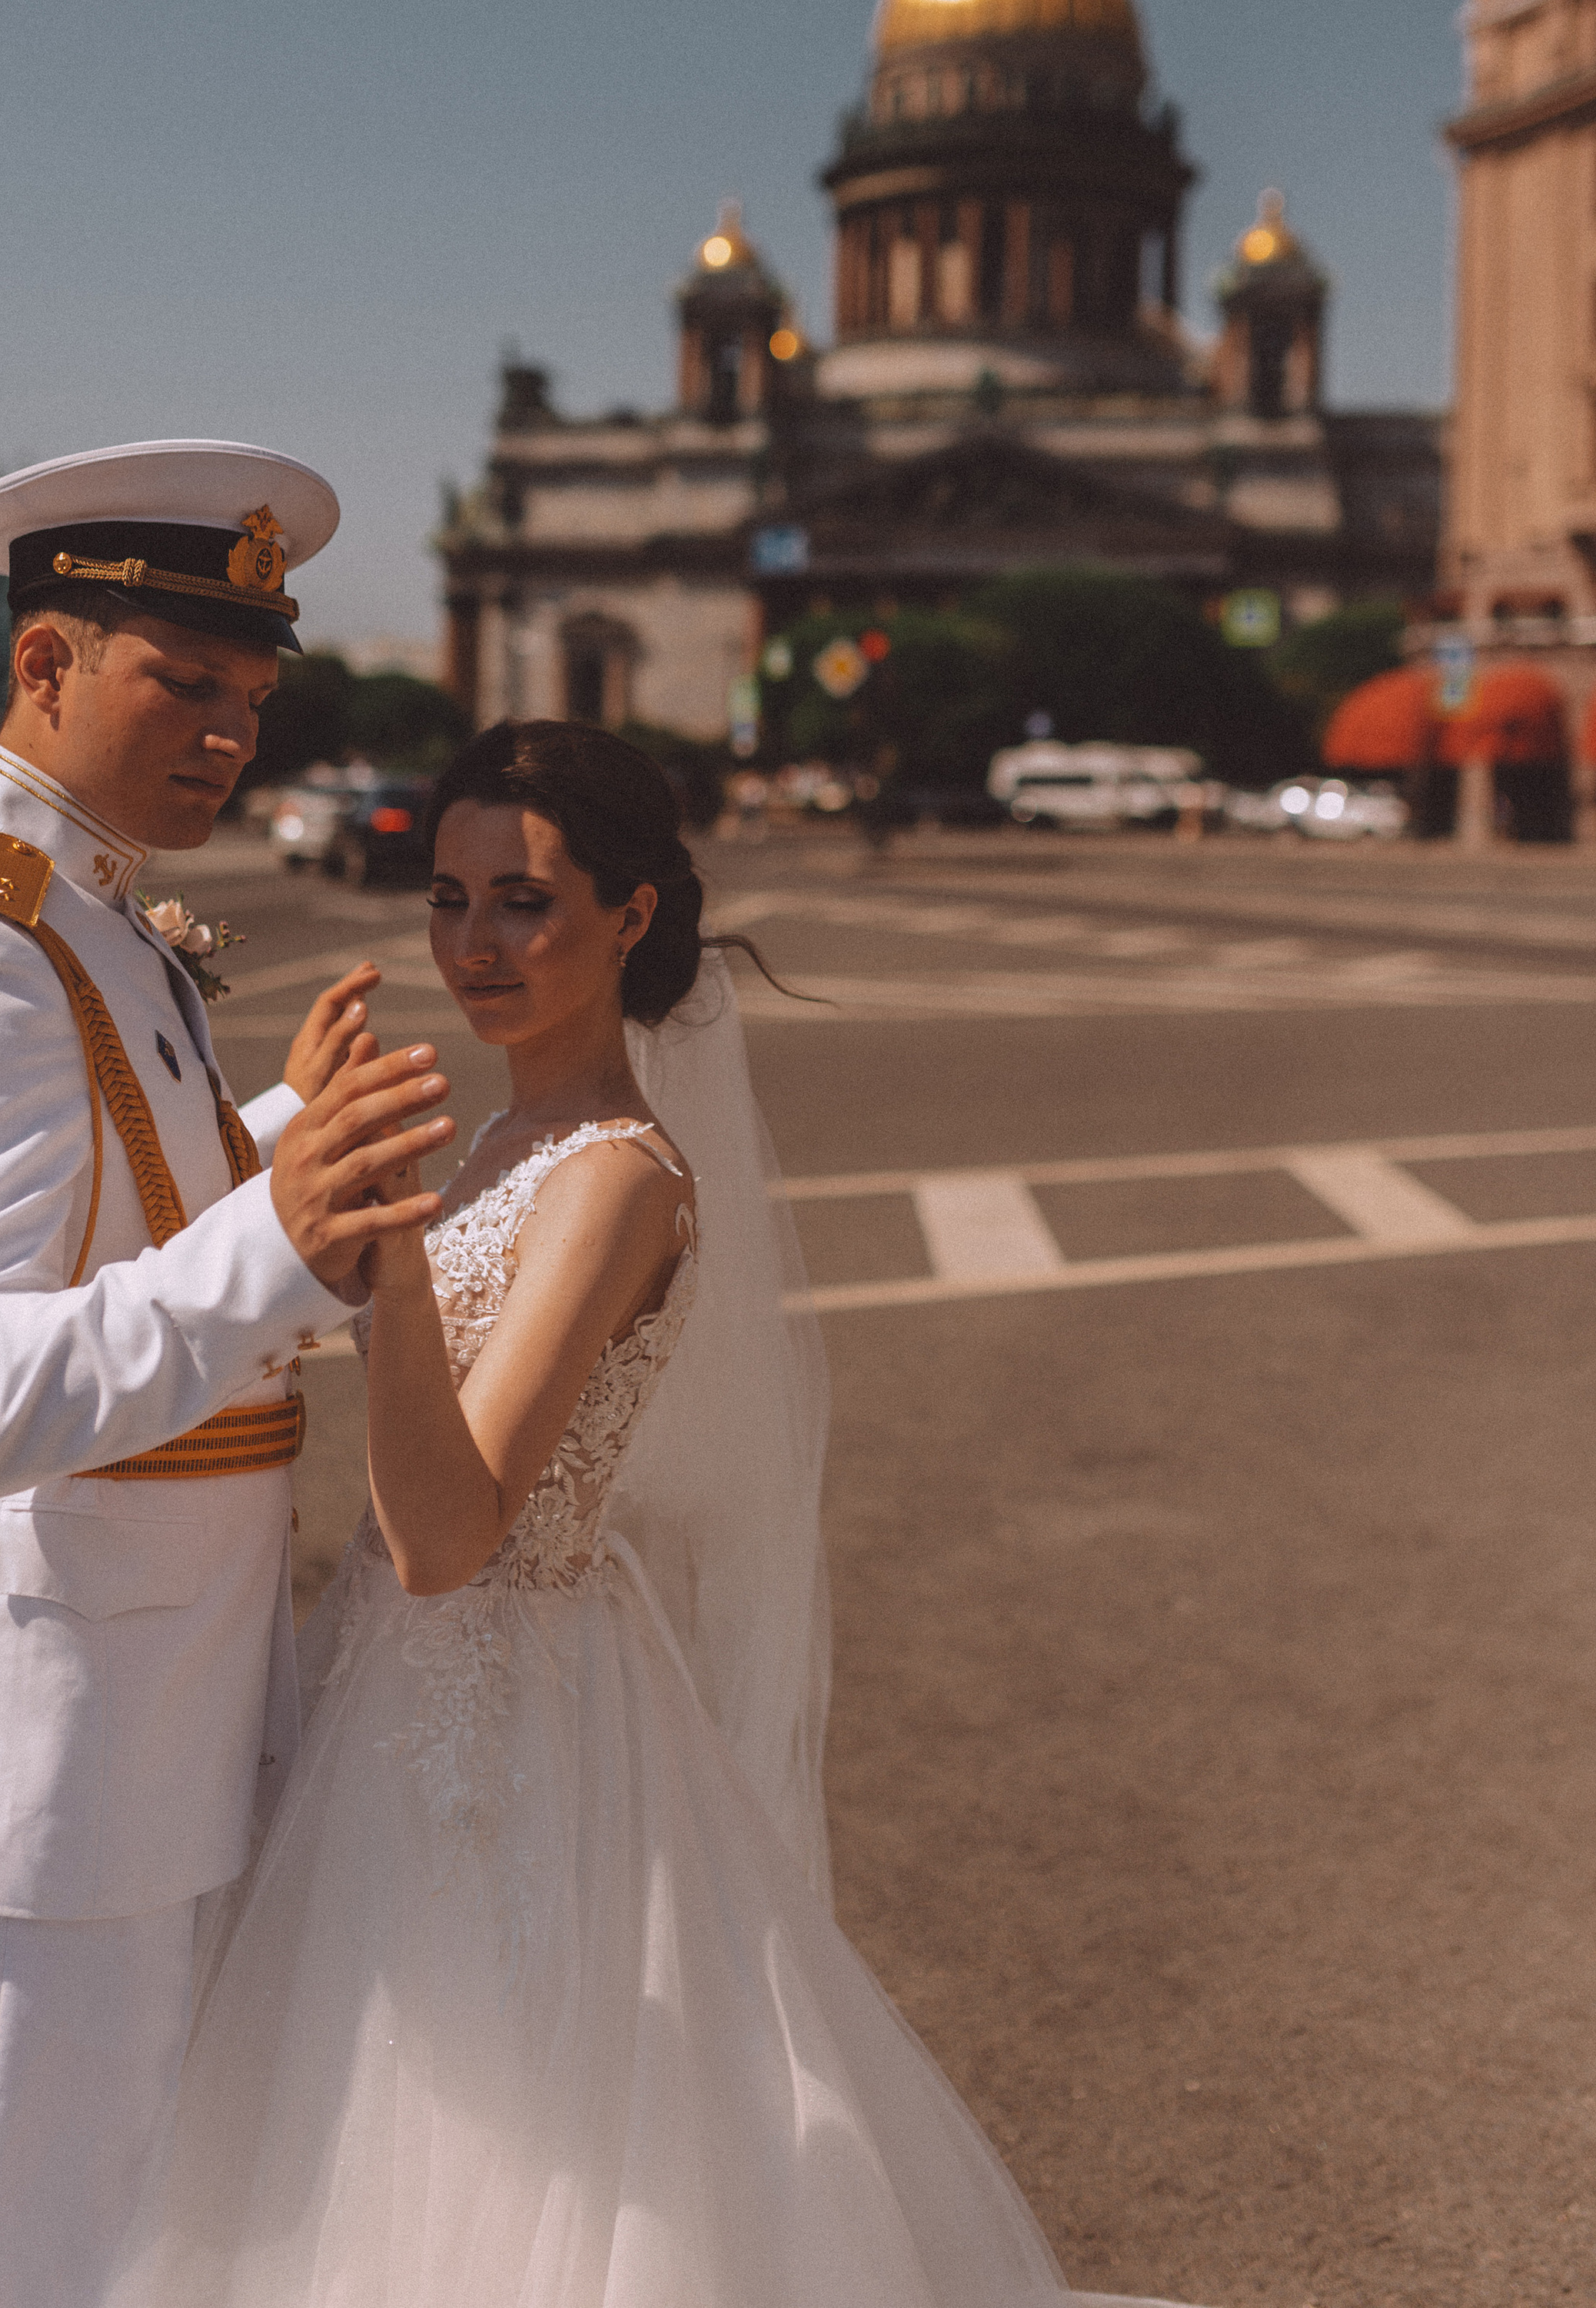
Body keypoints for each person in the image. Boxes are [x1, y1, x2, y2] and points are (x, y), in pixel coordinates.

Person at [128, 718, 1194, 2308]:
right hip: (381, 1704)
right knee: (377, 2108)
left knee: (529, 2141)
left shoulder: (618, 1178)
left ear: (628, 920)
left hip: (516, 1714)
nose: (472, 944)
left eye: (522, 902)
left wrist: (395, 1267)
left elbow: (447, 1540)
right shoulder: (491, 1141)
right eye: (447, 897)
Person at [0, 441, 457, 2308]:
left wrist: (271, 1147)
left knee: (110, 2265)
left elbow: (95, 1229)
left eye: (252, 693)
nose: (231, 730)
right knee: (0, 2274)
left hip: (126, 1728)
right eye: (184, 680)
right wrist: (279, 1241)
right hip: (30, 1767)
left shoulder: (90, 912)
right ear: (48, 664)